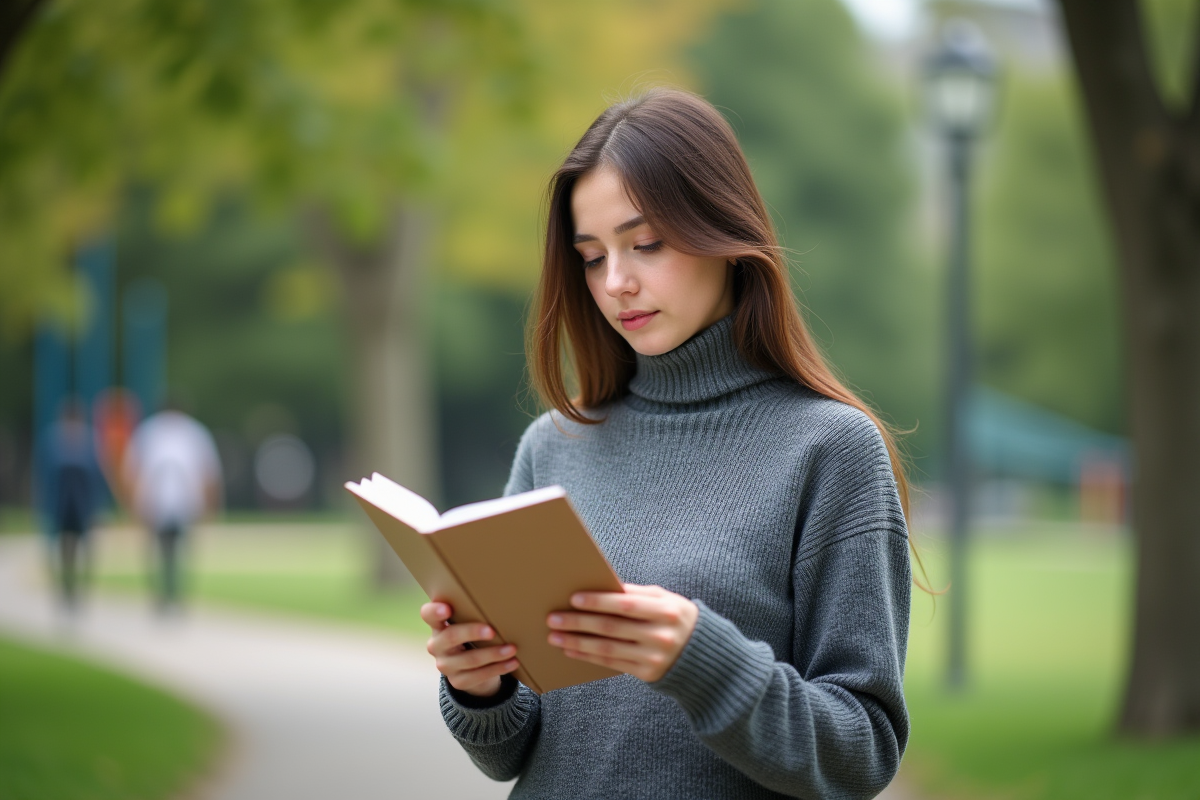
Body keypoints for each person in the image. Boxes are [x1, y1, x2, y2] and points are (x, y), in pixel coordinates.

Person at [421, 88, 918, 799]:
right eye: (592, 257)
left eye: (645, 244)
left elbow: (860, 755)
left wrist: (702, 660)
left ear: (723, 231)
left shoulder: (830, 450)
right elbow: (512, 753)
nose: (617, 282)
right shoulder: (553, 446)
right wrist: (481, 689)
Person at [122, 399, 222, 613]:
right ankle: (167, 596)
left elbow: (132, 471)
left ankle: (170, 596)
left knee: (170, 552)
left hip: (176, 502)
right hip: (160, 502)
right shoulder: (191, 432)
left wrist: (132, 505)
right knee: (168, 552)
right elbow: (209, 473)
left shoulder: (151, 431)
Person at [43, 398, 102, 612]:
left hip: (82, 507)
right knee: (63, 550)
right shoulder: (53, 440)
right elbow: (46, 476)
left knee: (85, 551)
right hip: (60, 505)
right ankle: (65, 589)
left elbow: (96, 478)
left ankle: (80, 590)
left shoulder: (89, 441)